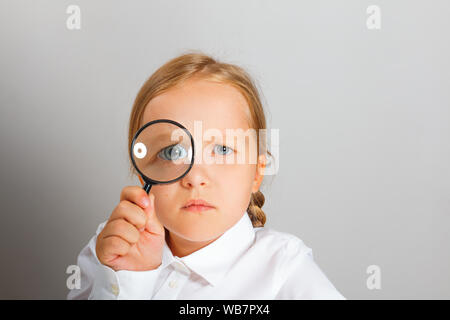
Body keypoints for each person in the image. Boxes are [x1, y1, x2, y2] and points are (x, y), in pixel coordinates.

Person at [67, 52, 346, 300]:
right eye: (172, 153)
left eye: (222, 149)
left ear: (256, 175)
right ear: (144, 175)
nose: (196, 178)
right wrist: (130, 279)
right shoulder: (111, 250)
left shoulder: (283, 267)